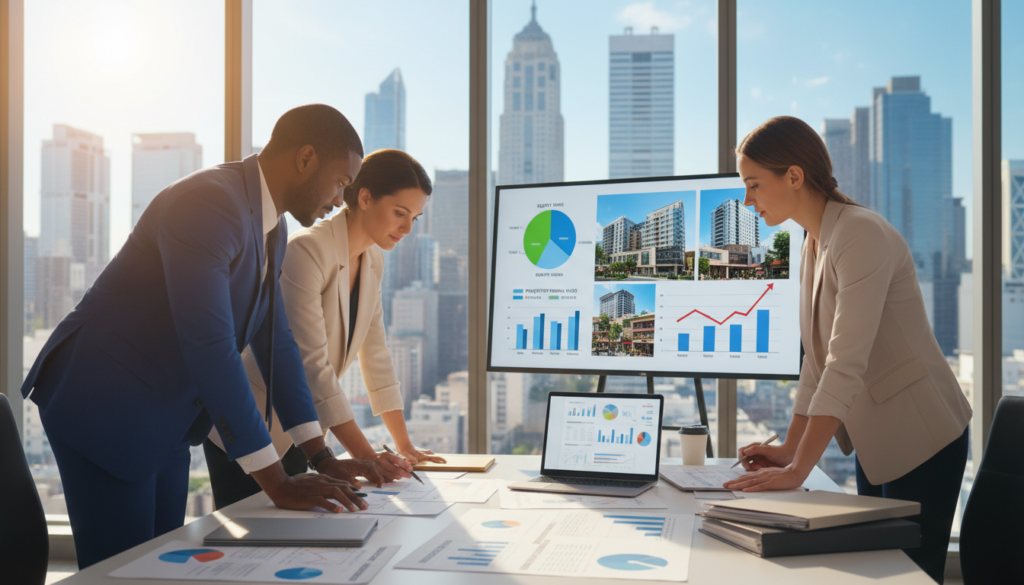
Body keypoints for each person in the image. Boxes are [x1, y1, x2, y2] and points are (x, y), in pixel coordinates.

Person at [20, 104, 383, 569]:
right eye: (341, 182)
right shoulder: (209, 202)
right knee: (121, 572)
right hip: (106, 405)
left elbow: (277, 341)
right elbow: (212, 347)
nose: (340, 199)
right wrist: (277, 482)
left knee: (161, 566)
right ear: (306, 158)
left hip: (166, 416)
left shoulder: (272, 225)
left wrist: (321, 455)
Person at [721, 116, 972, 584]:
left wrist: (800, 468)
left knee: (908, 576)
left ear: (793, 176)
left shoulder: (859, 233)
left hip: (922, 434)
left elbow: (844, 362)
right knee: (877, 570)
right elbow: (816, 362)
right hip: (876, 437)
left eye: (753, 185)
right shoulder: (814, 242)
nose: (747, 199)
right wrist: (790, 450)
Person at [205, 149, 447, 508]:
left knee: (300, 529)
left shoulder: (373, 258)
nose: (408, 228)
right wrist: (367, 457)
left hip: (307, 430)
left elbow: (376, 352)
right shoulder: (306, 251)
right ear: (364, 198)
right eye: (400, 213)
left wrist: (404, 445)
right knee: (253, 535)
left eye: (415, 217)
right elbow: (311, 366)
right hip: (253, 427)